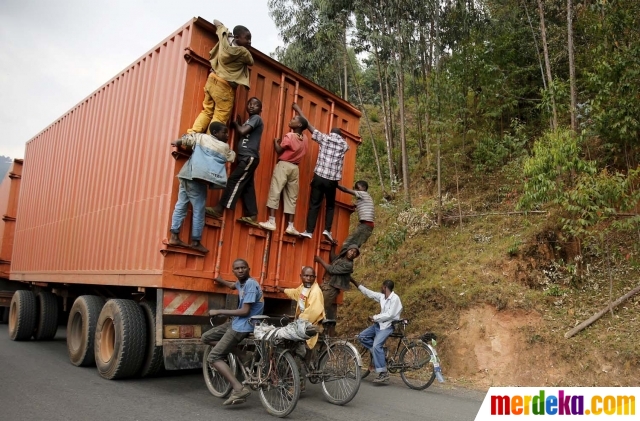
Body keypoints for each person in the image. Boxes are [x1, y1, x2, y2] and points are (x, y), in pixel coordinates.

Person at [202, 258, 265, 405]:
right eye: (237, 268)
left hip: (244, 325)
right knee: (206, 337)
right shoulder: (241, 283)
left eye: (243, 267)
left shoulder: (250, 284)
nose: (241, 270)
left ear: (249, 268)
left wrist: (219, 311)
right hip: (237, 323)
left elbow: (244, 311)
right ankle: (242, 354)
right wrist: (220, 280)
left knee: (214, 357)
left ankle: (238, 388)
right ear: (233, 271)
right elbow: (232, 286)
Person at [168, 122, 235, 253]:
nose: (227, 135)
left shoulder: (201, 137)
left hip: (186, 174)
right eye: (224, 132)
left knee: (181, 205)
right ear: (215, 133)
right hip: (198, 180)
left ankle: (174, 236)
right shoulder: (225, 146)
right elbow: (231, 157)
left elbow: (187, 139)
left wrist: (178, 141)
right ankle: (195, 241)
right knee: (199, 210)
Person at [292, 103, 349, 242]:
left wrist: (298, 108)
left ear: (331, 133)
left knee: (314, 204)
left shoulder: (325, 138)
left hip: (318, 177)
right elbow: (345, 146)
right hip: (331, 181)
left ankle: (309, 231)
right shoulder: (344, 145)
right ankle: (327, 230)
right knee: (329, 205)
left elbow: (309, 126)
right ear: (340, 136)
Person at [188, 20, 253, 133]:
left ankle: (192, 135)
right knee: (219, 117)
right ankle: (208, 144)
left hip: (212, 79)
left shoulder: (224, 38)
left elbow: (216, 22)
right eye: (247, 38)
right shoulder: (244, 52)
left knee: (207, 111)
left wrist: (224, 30)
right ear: (237, 37)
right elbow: (251, 62)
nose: (249, 42)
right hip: (225, 86)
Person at [206, 98, 263, 226]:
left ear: (261, 109)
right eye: (249, 103)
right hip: (245, 157)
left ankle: (219, 209)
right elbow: (244, 135)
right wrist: (240, 124)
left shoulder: (256, 119)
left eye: (256, 104)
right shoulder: (249, 121)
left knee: (233, 180)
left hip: (249, 157)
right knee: (247, 186)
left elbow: (242, 131)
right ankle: (252, 214)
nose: (252, 106)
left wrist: (236, 124)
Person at [258, 115, 309, 235]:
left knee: (275, 191)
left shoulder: (289, 136)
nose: (290, 120)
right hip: (295, 168)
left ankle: (271, 221)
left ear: (299, 125)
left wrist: (275, 142)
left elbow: (279, 150)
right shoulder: (305, 138)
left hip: (284, 165)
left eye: (294, 119)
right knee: (292, 196)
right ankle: (290, 226)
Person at [277, 266, 325, 391]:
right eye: (306, 276)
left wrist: (298, 320)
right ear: (301, 276)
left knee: (295, 350)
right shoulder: (304, 288)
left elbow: (313, 311)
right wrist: (283, 290)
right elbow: (295, 293)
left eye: (312, 276)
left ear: (315, 278)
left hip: (310, 325)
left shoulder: (315, 291)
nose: (309, 278)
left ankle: (298, 384)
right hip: (303, 323)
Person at [349, 278, 403, 384]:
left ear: (385, 287)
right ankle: (380, 352)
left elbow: (390, 315)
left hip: (387, 326)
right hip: (379, 325)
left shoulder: (395, 299)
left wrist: (375, 317)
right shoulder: (382, 297)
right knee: (362, 337)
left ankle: (383, 373)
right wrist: (356, 283)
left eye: (382, 286)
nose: (380, 288)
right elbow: (369, 293)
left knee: (376, 346)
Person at [314, 244, 360, 330]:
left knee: (321, 309)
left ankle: (318, 330)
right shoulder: (341, 258)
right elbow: (333, 258)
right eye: (351, 251)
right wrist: (333, 247)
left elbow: (331, 269)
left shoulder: (349, 265)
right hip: (325, 284)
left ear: (356, 256)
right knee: (316, 305)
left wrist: (320, 260)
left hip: (331, 288)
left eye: (355, 253)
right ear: (347, 250)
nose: (352, 253)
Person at [337, 180, 375, 253]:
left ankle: (339, 260)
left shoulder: (363, 194)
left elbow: (345, 190)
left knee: (348, 244)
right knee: (353, 246)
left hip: (365, 225)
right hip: (367, 225)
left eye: (357, 188)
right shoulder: (366, 197)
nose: (356, 190)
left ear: (364, 188)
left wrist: (334, 183)